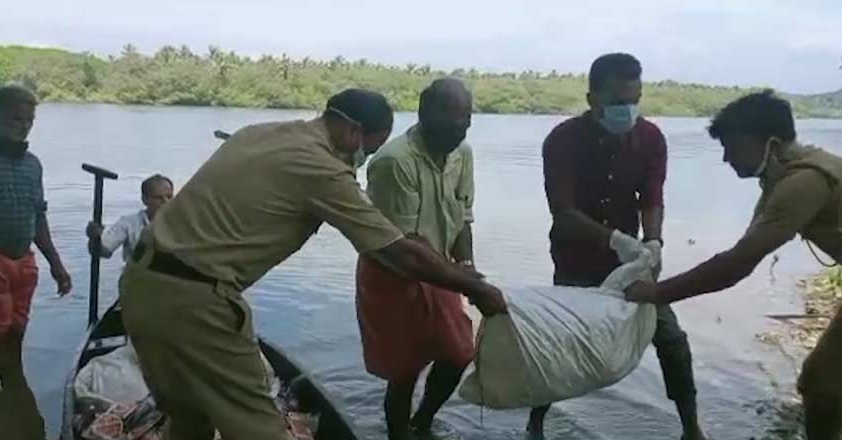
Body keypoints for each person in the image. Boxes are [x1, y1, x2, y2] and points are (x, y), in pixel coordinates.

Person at [118, 88, 507, 440]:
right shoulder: (323, 169)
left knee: (187, 421)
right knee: (260, 429)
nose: (361, 161)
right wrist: (475, 287)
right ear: (353, 132)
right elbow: (398, 250)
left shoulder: (261, 132)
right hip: (196, 301)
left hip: (140, 285)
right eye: (368, 150)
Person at [626, 90, 842, 440]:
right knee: (820, 385)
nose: (726, 158)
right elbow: (741, 250)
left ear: (768, 142)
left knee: (823, 386)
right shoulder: (786, 175)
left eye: (732, 146)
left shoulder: (804, 182)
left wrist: (655, 293)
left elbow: (736, 266)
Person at [536, 53, 705, 440]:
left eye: (634, 100)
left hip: (631, 266)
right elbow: (563, 212)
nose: (627, 110)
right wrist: (613, 238)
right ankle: (537, 422)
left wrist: (654, 240)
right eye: (617, 102)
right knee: (560, 341)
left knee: (671, 340)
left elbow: (652, 198)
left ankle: (692, 428)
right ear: (592, 98)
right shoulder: (563, 140)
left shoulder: (650, 138)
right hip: (575, 259)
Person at [357, 78, 477, 440]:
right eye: (452, 122)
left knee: (459, 354)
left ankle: (422, 423)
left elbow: (464, 217)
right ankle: (398, 434)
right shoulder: (394, 161)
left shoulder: (462, 153)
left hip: (440, 268)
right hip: (393, 270)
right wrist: (464, 281)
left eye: (466, 122)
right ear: (425, 114)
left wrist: (467, 268)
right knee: (404, 369)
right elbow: (405, 243)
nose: (460, 131)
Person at [0, 85, 72, 439]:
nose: (23, 125)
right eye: (15, 117)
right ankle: (13, 409)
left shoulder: (33, 165)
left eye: (29, 119)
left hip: (23, 261)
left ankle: (12, 390)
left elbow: (38, 218)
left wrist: (56, 263)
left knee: (16, 333)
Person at [85, 174, 174, 262]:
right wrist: (94, 238)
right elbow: (103, 251)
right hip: (137, 275)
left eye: (169, 197)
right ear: (144, 199)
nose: (166, 202)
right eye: (158, 198)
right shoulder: (129, 223)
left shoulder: (181, 223)